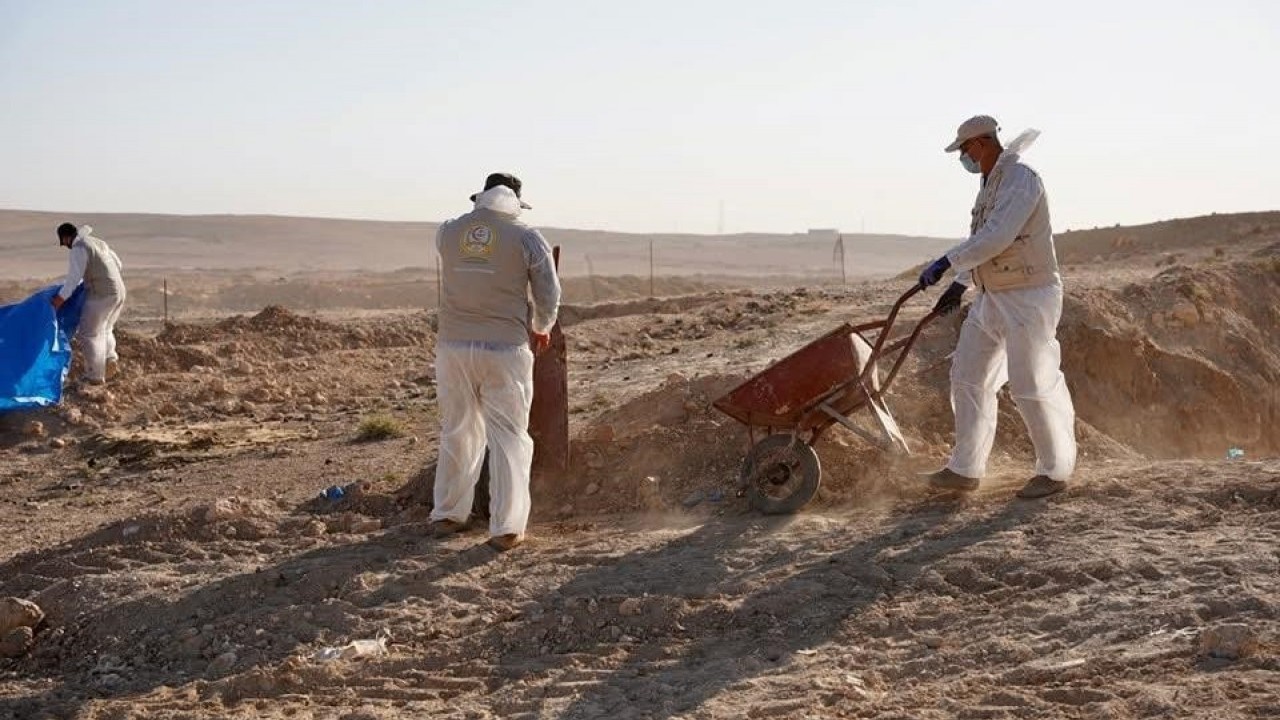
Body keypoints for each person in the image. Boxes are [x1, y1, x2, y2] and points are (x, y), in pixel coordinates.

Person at [917, 115, 1076, 499]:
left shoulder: (1022, 179)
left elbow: (998, 236)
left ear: (983, 143)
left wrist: (946, 263)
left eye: (966, 150)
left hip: (1028, 296)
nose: (964, 159)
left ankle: (1053, 471)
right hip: (992, 296)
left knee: (1030, 384)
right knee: (967, 375)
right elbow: (983, 239)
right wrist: (958, 285)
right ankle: (965, 469)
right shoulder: (991, 185)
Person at [429, 172, 562, 551]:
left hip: (453, 346)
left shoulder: (448, 232)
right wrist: (542, 326)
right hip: (504, 349)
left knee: (458, 429)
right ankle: (506, 527)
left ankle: (448, 514)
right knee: (508, 437)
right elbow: (548, 291)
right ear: (516, 202)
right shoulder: (527, 237)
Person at [52, 223, 126, 386]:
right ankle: (110, 358)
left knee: (89, 333)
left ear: (65, 238)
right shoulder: (98, 243)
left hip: (100, 295)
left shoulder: (79, 248)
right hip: (119, 292)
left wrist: (59, 299)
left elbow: (72, 279)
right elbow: (118, 265)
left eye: (64, 243)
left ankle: (95, 376)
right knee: (105, 329)